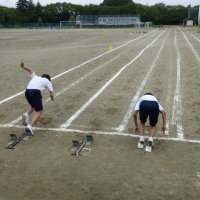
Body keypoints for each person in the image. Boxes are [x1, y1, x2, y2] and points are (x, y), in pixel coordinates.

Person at [20, 60, 54, 135]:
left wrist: (23, 66)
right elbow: (51, 92)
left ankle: (26, 115)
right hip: (35, 92)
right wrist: (52, 98)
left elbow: (30, 70)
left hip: (27, 92)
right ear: (48, 79)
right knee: (39, 111)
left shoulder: (35, 77)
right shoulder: (48, 81)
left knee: (33, 106)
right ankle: (30, 126)